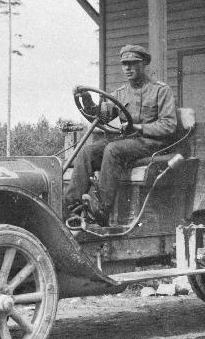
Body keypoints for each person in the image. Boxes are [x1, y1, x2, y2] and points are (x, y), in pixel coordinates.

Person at [64, 44, 177, 226]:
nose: (127, 68)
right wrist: (86, 98)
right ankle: (72, 207)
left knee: (113, 149)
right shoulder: (120, 93)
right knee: (88, 152)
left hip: (153, 142)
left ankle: (101, 210)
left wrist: (140, 127)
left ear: (143, 64)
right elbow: (100, 114)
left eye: (132, 63)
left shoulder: (160, 91)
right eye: (124, 64)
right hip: (129, 143)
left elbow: (169, 125)